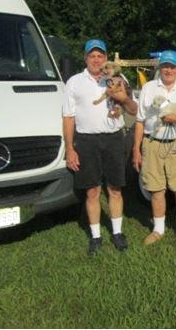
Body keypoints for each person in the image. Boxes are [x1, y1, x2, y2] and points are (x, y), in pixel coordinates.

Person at [62, 39, 138, 255]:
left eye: (100, 56)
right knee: (93, 190)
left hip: (114, 138)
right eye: (92, 56)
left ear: (106, 59)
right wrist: (70, 148)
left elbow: (133, 110)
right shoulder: (75, 82)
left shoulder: (118, 79)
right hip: (86, 140)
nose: (96, 60)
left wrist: (122, 98)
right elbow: (68, 118)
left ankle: (117, 233)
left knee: (114, 188)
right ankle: (96, 236)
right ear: (86, 58)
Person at [132, 50, 176, 250]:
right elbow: (140, 121)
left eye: (172, 66)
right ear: (159, 67)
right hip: (152, 143)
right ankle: (158, 229)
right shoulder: (149, 88)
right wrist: (136, 149)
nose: (168, 70)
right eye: (165, 66)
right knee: (156, 188)